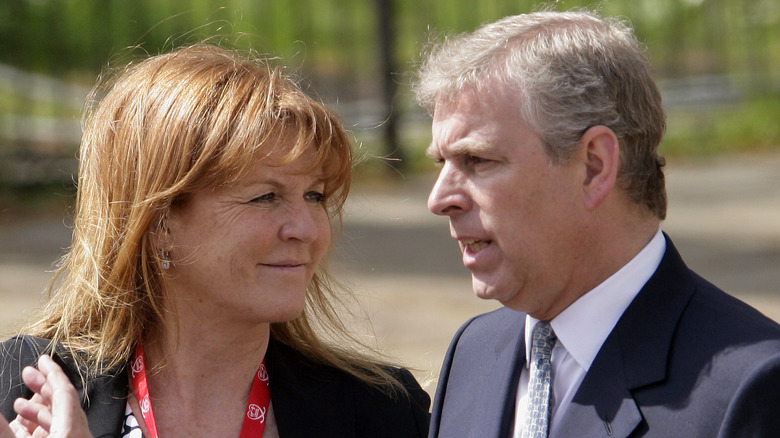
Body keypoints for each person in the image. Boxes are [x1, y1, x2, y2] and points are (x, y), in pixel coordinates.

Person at [0, 44, 430, 437]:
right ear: (159, 223)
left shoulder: (380, 411)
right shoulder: (24, 386)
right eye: (266, 197)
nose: (308, 229)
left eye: (314, 196)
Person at [413, 9, 780, 438]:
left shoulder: (751, 387)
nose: (439, 199)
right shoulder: (474, 353)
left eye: (476, 160)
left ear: (593, 166)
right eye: (442, 162)